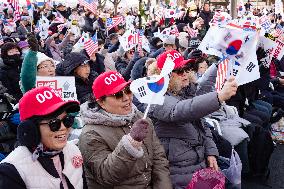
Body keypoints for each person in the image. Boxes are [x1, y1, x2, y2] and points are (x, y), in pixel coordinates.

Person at [148, 50, 238, 189]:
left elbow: (203, 126)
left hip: (199, 162)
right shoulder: (156, 98)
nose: (184, 73)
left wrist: (211, 152)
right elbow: (180, 110)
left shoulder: (185, 92)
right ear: (164, 76)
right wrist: (219, 97)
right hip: (178, 171)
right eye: (178, 70)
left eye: (186, 68)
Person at [78, 71, 172, 188]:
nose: (126, 98)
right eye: (117, 95)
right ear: (101, 102)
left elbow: (159, 160)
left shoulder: (140, 117)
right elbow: (106, 176)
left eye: (128, 90)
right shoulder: (90, 134)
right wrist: (130, 144)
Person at [0, 86, 87, 188]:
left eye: (67, 120)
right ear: (31, 129)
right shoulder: (12, 171)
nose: (63, 128)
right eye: (54, 123)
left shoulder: (73, 150)